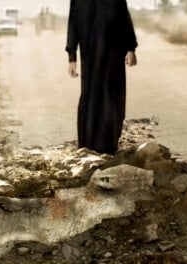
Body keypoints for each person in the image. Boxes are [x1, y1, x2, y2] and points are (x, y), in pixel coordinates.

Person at [66, 0, 138, 155]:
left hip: (113, 55)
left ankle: (109, 146)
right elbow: (73, 24)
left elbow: (124, 19)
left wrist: (130, 48)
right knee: (92, 97)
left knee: (112, 97)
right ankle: (87, 145)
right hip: (91, 57)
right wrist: (72, 57)